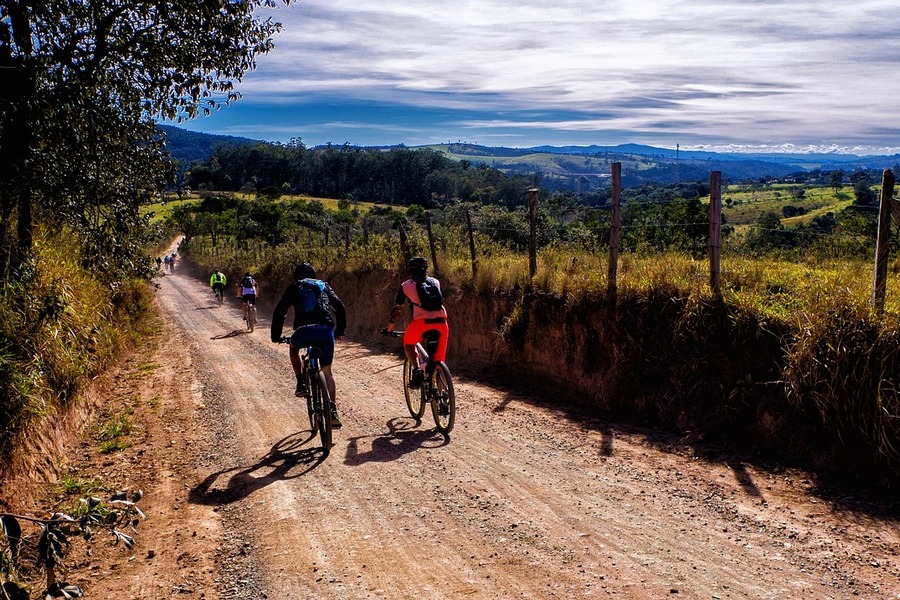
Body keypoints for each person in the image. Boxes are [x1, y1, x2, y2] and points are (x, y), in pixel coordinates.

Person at [271, 262, 347, 428]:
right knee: (327, 371)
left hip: (304, 330)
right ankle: (332, 410)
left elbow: (280, 311)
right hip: (325, 330)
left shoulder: (294, 287)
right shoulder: (323, 285)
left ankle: (301, 382)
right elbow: (339, 307)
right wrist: (340, 330)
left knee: (293, 349)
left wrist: (275, 336)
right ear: (313, 274)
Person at [383, 257, 448, 388]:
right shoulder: (435, 282)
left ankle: (417, 370)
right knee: (438, 362)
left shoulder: (406, 286)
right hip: (442, 323)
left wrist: (389, 329)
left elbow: (396, 310)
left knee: (408, 343)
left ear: (410, 271)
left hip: (421, 324)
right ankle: (444, 400)